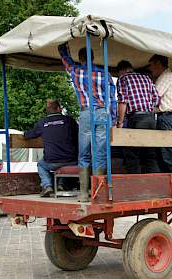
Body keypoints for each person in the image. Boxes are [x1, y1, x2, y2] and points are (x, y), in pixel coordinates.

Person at [58, 43, 117, 202]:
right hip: (102, 113)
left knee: (84, 153)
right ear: (92, 57)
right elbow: (112, 99)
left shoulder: (76, 71)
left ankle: (83, 193)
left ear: (81, 58)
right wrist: (113, 118)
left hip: (86, 112)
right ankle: (97, 192)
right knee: (100, 153)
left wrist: (63, 49)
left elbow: (66, 60)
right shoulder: (105, 74)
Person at [24, 99, 78, 197]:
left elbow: (29, 135)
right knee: (69, 163)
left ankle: (47, 186)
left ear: (47, 111)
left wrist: (25, 133)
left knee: (41, 165)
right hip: (71, 160)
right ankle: (62, 184)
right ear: (59, 108)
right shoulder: (69, 121)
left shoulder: (42, 123)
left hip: (51, 161)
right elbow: (79, 134)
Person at [116, 60, 160, 173]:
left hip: (136, 119)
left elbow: (122, 101)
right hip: (150, 119)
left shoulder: (123, 78)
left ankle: (135, 182)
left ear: (121, 71)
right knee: (149, 153)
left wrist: (120, 122)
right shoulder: (146, 78)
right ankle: (155, 183)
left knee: (131, 152)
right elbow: (156, 99)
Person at [148, 54, 172, 172]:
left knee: (167, 152)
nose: (150, 69)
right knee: (163, 152)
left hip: (165, 117)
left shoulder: (165, 76)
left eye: (151, 66)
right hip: (166, 117)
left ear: (158, 64)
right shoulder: (168, 76)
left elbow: (153, 97)